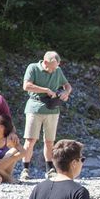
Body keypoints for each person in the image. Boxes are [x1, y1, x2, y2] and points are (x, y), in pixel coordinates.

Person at [21, 51, 72, 180]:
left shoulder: (58, 70)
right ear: (45, 62)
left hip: (52, 109)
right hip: (35, 108)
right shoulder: (32, 68)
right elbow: (26, 86)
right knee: (30, 140)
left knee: (50, 141)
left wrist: (66, 92)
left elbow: (67, 85)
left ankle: (50, 169)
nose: (55, 69)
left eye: (57, 66)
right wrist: (45, 90)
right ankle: (25, 169)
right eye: (53, 67)